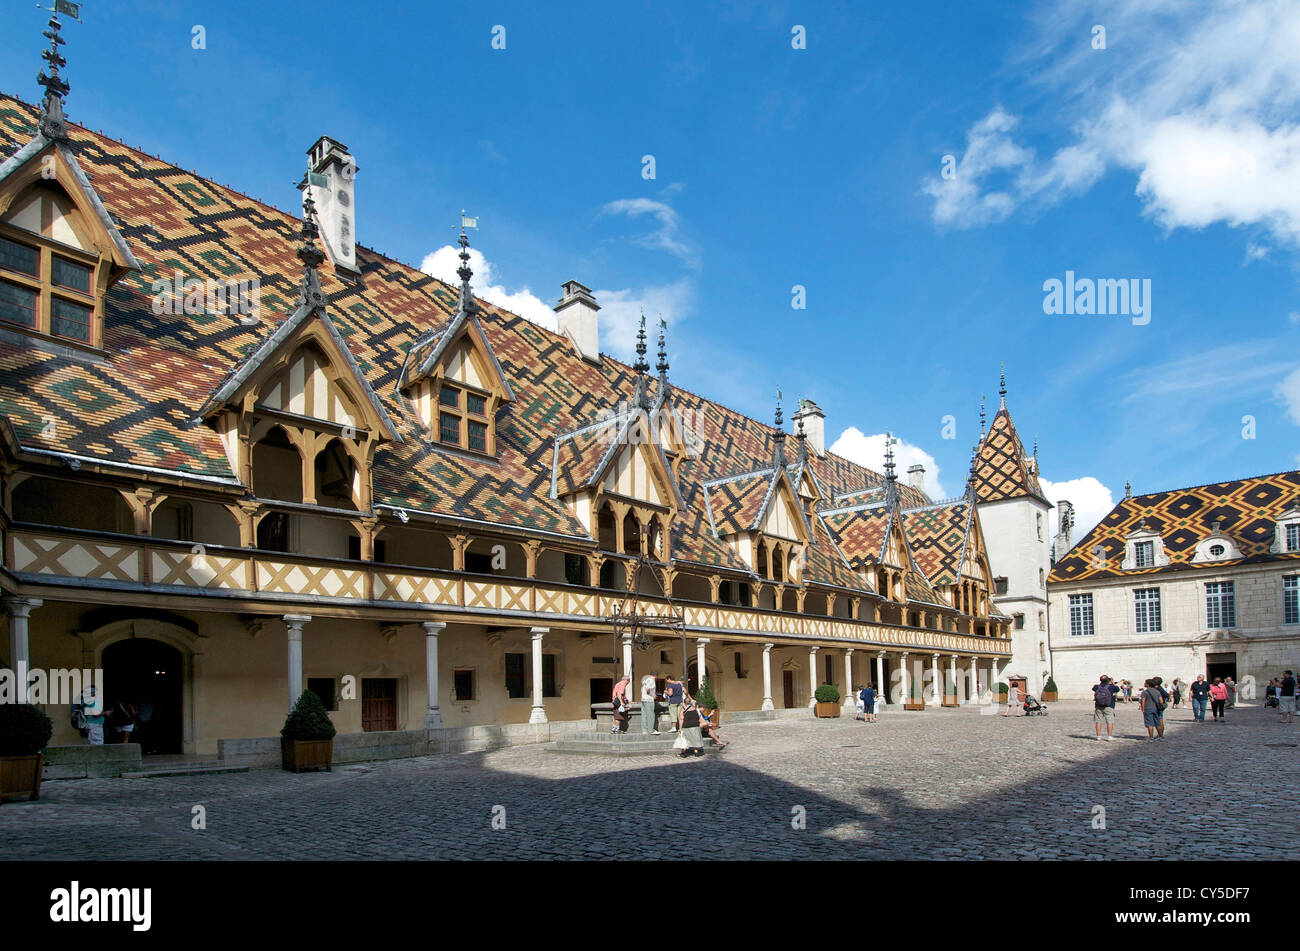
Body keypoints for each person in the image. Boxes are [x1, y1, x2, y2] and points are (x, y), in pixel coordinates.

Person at [1092, 675, 1119, 740]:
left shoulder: (1096, 686)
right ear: (1108, 680)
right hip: (1109, 705)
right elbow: (1117, 689)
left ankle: (1098, 736)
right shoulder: (1111, 687)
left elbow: (1094, 689)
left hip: (1098, 706)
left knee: (1098, 721)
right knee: (1109, 721)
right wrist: (1112, 682)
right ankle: (1109, 736)